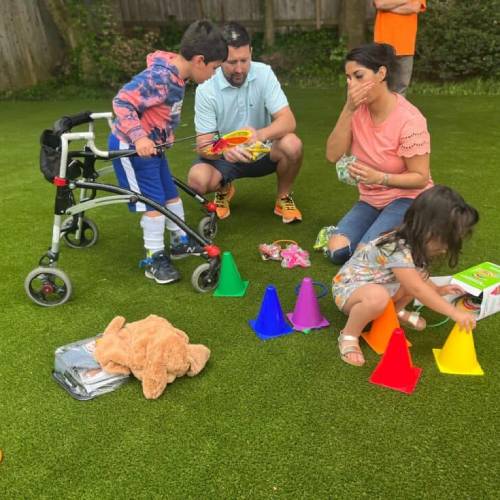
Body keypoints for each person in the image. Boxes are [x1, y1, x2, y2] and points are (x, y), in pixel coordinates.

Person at [109, 20, 227, 284]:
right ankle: (154, 258)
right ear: (199, 60)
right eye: (215, 68)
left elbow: (162, 111)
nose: (214, 74)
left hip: (153, 148)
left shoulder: (178, 75)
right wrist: (139, 137)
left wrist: (166, 135)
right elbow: (122, 102)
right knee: (153, 202)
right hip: (131, 148)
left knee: (171, 196)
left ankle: (179, 242)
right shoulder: (159, 78)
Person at [332, 185, 479, 367]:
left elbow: (419, 279)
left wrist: (439, 290)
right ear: (426, 229)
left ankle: (393, 313)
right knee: (380, 296)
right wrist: (453, 312)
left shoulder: (416, 244)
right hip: (349, 290)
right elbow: (416, 288)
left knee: (414, 277)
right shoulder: (397, 248)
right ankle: (349, 335)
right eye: (444, 239)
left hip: (383, 287)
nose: (446, 247)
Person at [324, 42, 432, 265]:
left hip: (408, 198)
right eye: (348, 78)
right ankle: (393, 240)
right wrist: (348, 108)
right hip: (371, 199)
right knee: (337, 251)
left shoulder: (410, 119)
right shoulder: (356, 111)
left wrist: (379, 178)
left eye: (358, 76)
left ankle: (420, 233)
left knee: (368, 255)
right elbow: (332, 155)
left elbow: (420, 178)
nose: (351, 85)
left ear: (381, 73)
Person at [187, 22, 303, 223]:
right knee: (197, 180)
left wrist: (259, 135)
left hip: (263, 150)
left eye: (244, 60)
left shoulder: (264, 72)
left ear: (251, 51)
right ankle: (224, 187)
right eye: (232, 62)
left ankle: (283, 198)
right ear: (220, 58)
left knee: (292, 144)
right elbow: (203, 145)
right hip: (225, 158)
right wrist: (224, 151)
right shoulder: (206, 87)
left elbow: (288, 121)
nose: (239, 69)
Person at [373, 0, 426, 95]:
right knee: (381, 86)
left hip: (406, 45)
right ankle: (381, 110)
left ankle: (397, 110)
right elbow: (380, 4)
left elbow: (414, 8)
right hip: (383, 44)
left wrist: (390, 7)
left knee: (401, 90)